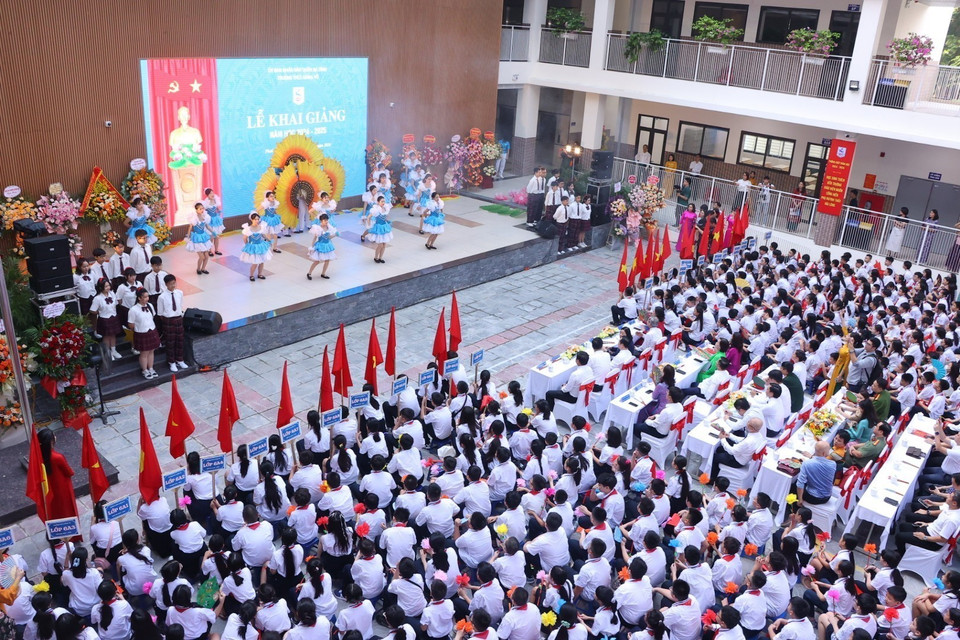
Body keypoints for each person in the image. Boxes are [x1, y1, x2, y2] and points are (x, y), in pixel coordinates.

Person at [157, 275, 187, 372]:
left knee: (180, 341)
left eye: (174, 283)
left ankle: (180, 359)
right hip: (168, 320)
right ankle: (171, 362)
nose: (173, 285)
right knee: (170, 342)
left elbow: (180, 306)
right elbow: (160, 313)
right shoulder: (161, 297)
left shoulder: (179, 293)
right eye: (170, 284)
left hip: (178, 319)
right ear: (166, 285)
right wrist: (168, 320)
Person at [89, 278, 122, 361]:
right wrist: (99, 312)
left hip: (113, 317)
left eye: (108, 285)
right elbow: (92, 310)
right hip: (104, 319)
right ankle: (108, 352)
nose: (108, 287)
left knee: (113, 334)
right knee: (106, 336)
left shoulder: (112, 294)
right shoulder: (97, 298)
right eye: (105, 286)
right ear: (101, 287)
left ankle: (114, 350)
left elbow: (117, 303)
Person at [796, 441, 835, 505]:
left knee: (793, 486)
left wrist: (800, 499)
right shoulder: (833, 464)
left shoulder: (806, 464)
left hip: (814, 497)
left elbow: (800, 483)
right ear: (824, 453)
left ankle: (796, 509)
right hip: (827, 496)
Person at [240, 213, 272, 282]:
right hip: (253, 247)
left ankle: (260, 274)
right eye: (255, 219)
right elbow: (244, 238)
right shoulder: (248, 229)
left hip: (260, 246)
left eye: (258, 219)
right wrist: (247, 245)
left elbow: (263, 235)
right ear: (252, 219)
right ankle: (251, 275)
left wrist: (269, 240)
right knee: (255, 262)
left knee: (262, 261)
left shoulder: (261, 227)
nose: (257, 221)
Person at [306, 213, 338, 280]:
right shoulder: (318, 228)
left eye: (327, 220)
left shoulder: (329, 227)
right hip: (320, 246)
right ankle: (309, 273)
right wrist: (312, 247)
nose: (326, 222)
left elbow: (329, 237)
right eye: (325, 220)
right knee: (317, 261)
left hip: (327, 245)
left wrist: (335, 235)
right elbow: (315, 238)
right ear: (321, 221)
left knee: (327, 260)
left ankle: (323, 273)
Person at [185, 202, 214, 275]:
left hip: (203, 237)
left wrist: (214, 233)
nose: (202, 210)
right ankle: (198, 268)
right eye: (200, 209)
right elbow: (190, 228)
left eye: (203, 208)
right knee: (201, 257)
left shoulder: (205, 217)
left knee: (206, 256)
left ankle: (203, 268)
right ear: (196, 210)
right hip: (197, 239)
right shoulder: (194, 218)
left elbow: (207, 226)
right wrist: (188, 237)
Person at [368, 195, 393, 264]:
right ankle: (376, 257)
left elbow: (385, 217)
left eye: (384, 201)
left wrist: (388, 221)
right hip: (379, 228)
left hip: (384, 227)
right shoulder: (375, 210)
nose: (383, 203)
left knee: (384, 244)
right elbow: (369, 217)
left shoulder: (385, 208)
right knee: (380, 245)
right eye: (382, 201)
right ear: (378, 202)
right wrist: (369, 225)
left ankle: (380, 257)